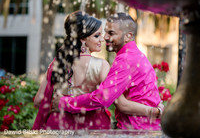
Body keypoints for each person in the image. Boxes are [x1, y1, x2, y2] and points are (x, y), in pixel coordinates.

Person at [33, 11, 162, 130]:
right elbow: (119, 102)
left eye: (110, 33)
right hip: (94, 127)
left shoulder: (57, 63)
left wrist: (62, 103)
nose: (104, 38)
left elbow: (39, 100)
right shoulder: (105, 64)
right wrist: (156, 111)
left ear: (128, 36)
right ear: (83, 38)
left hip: (58, 124)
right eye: (98, 35)